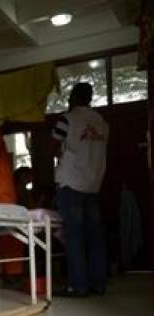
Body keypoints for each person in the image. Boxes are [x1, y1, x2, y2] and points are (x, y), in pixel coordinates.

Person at [49, 82, 109, 297]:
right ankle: (98, 283)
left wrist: (61, 152)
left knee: (74, 235)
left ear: (73, 98)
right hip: (93, 184)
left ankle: (78, 286)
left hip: (72, 182)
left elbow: (52, 145)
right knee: (94, 235)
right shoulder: (101, 122)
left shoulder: (68, 118)